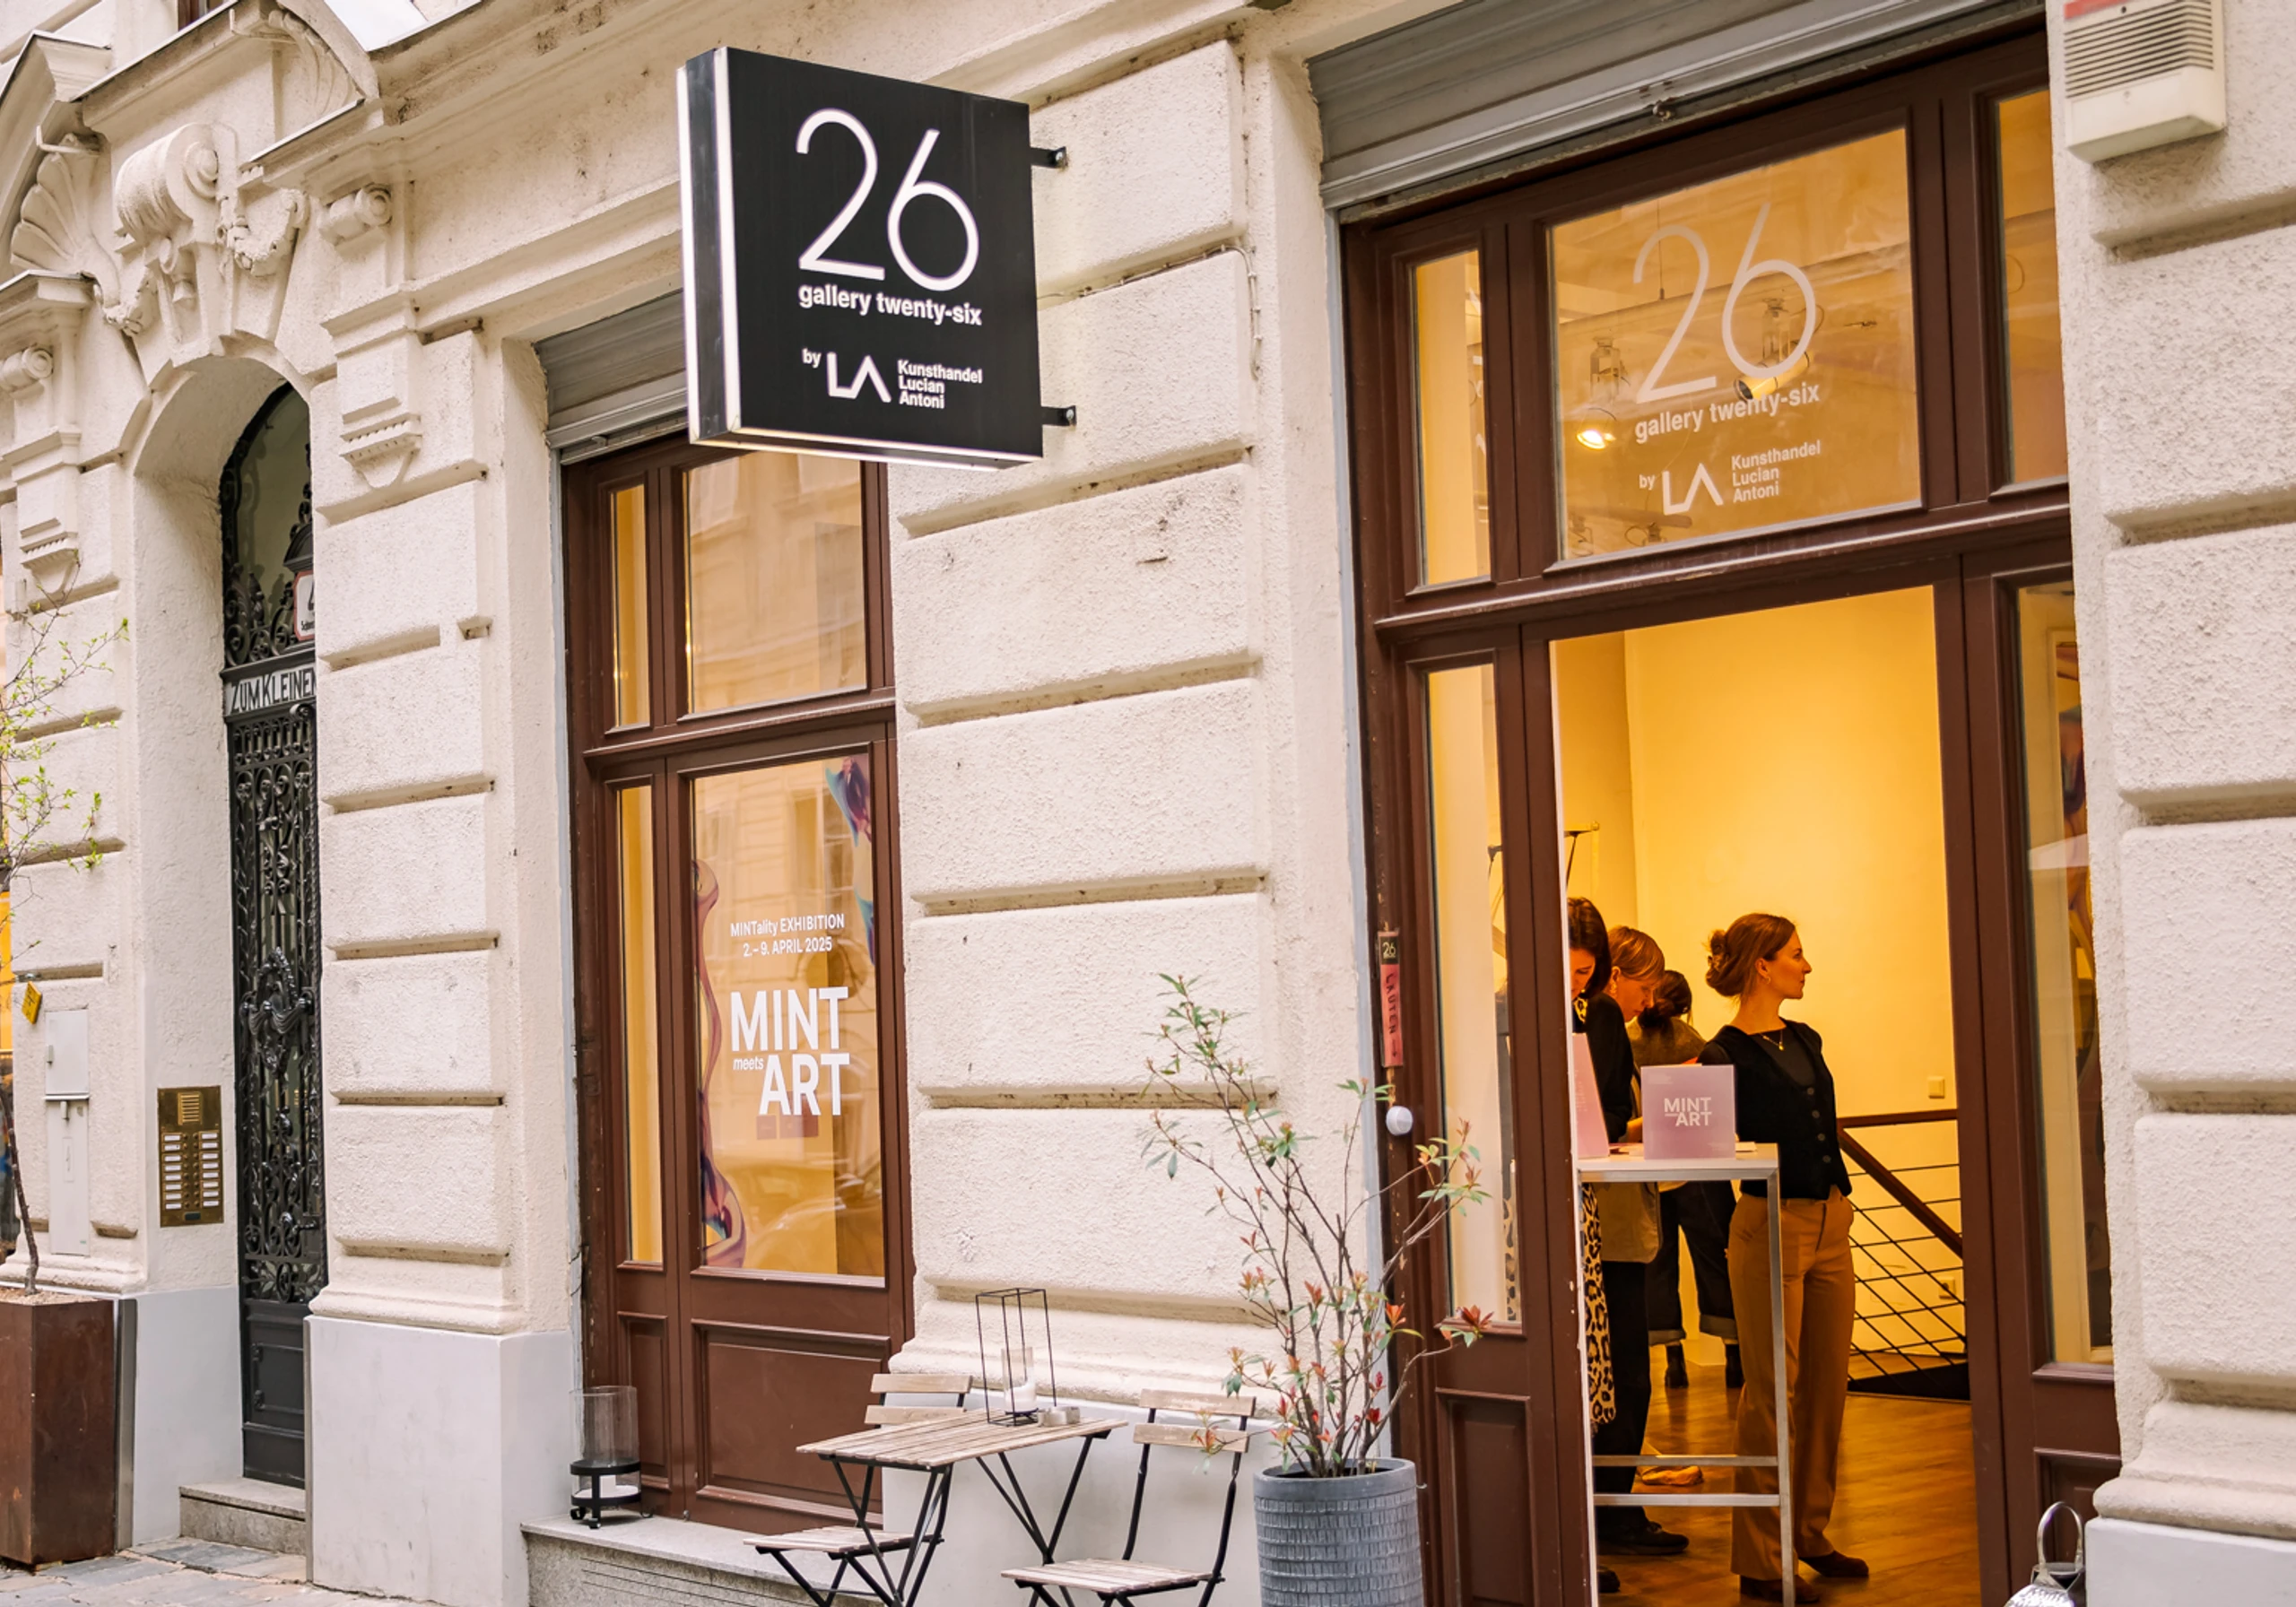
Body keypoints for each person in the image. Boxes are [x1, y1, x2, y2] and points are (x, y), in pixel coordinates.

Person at [1700, 915, 1867, 1603]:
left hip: (1831, 1220)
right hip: (1769, 1222)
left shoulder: (1806, 1038)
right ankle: (1763, 1557)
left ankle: (1810, 1532)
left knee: (1827, 1384)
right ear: (1762, 966)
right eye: (1797, 955)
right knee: (1773, 1392)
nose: (1808, 965)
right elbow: (1704, 1150)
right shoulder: (1721, 1055)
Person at [1570, 900, 1685, 1565]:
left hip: (1615, 1212)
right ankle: (1595, 1514)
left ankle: (1615, 1507)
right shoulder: (1531, 1011)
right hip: (1579, 1219)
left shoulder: (1605, 1019)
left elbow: (1609, 1109)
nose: (1580, 983)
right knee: (1597, 1374)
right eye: (1574, 970)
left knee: (1628, 1374)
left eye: (1587, 972)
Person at [1631, 972, 1741, 1392]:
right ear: (1687, 1007)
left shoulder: (1626, 1042)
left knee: (1657, 1266)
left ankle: (1673, 1361)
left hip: (1647, 1170)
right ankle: (1734, 1356)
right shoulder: (1698, 1045)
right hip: (1699, 1168)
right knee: (1716, 1258)